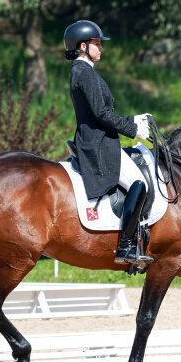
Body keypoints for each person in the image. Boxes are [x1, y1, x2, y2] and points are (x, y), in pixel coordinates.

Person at [64, 20, 154, 266]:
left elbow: (99, 113)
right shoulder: (85, 73)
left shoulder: (81, 72)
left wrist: (131, 119)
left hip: (98, 140)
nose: (101, 48)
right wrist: (133, 128)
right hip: (99, 146)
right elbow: (102, 115)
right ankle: (126, 247)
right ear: (83, 46)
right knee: (140, 182)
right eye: (97, 44)